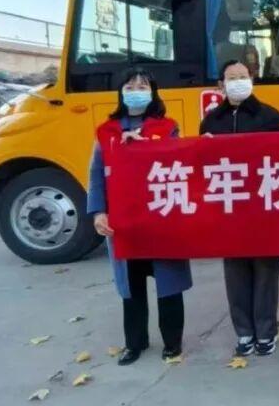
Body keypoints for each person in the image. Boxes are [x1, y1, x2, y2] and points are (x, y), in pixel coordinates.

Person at [88, 68, 191, 366]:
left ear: (153, 92)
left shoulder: (168, 127)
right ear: (121, 92)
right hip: (124, 222)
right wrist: (99, 212)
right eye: (130, 86)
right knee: (131, 286)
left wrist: (145, 145)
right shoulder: (107, 132)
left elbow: (181, 163)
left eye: (143, 86)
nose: (136, 91)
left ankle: (172, 342)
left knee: (168, 283)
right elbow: (96, 175)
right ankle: (135, 343)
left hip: (160, 217)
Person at [200, 60, 279, 356]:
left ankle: (266, 332)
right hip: (229, 208)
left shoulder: (271, 117)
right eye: (231, 78)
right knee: (235, 271)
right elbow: (202, 166)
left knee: (266, 272)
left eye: (243, 76)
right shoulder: (211, 121)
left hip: (264, 205)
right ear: (221, 85)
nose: (238, 81)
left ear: (252, 80)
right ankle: (244, 332)